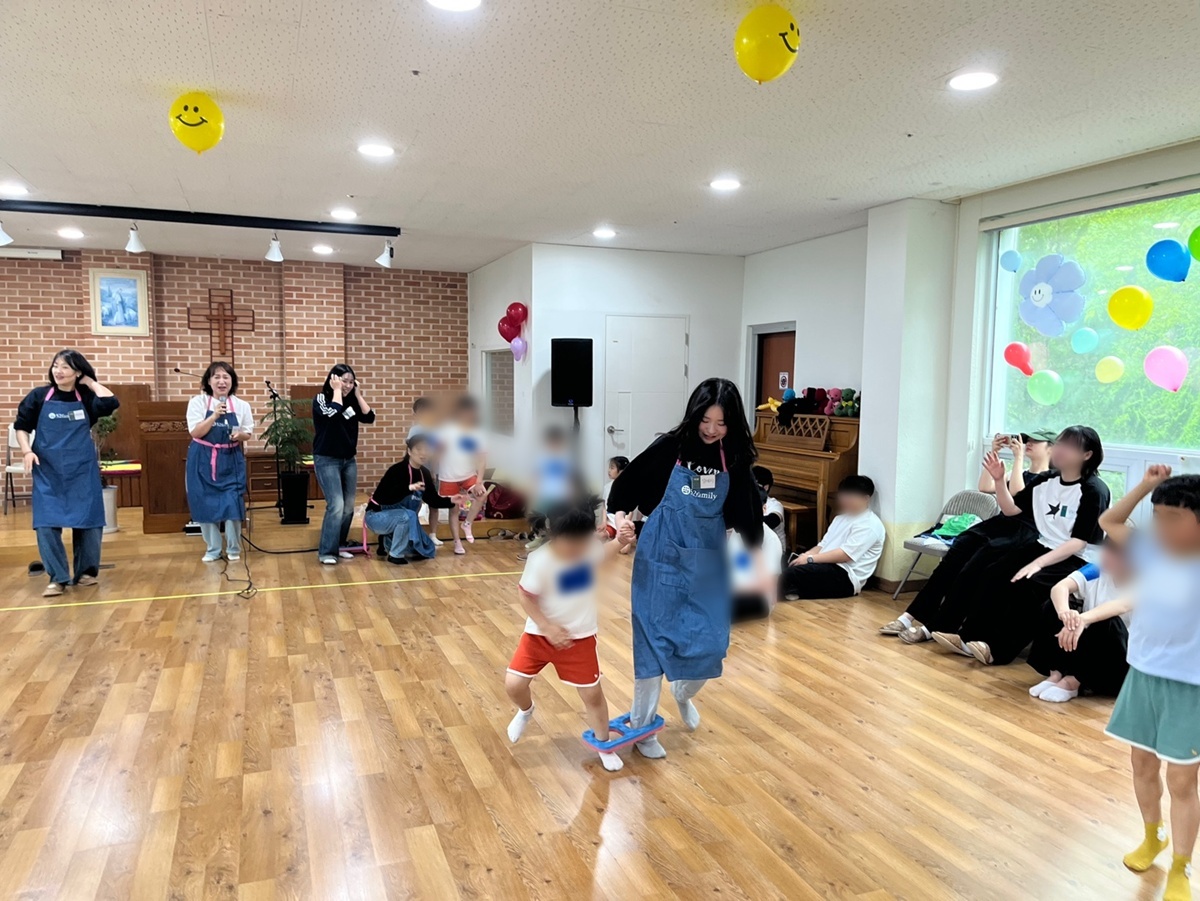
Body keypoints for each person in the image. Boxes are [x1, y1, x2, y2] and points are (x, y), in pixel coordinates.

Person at [608, 377, 762, 759]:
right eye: (705, 420)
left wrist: (754, 556)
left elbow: (748, 513)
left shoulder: (735, 458)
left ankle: (683, 690)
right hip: (660, 559)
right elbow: (624, 490)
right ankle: (643, 730)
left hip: (707, 564)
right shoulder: (670, 448)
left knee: (712, 644)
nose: (711, 430)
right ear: (694, 415)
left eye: (721, 423)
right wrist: (622, 521)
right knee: (651, 645)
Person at [1099, 468, 1200, 901]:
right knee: (1141, 766)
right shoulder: (1152, 552)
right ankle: (1152, 835)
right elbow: (1109, 521)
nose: (1161, 527)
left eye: (1173, 518)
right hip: (1141, 674)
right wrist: (1144, 487)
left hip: (1189, 687)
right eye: (1157, 517)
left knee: (1182, 782)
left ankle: (1181, 865)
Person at [932, 425, 1110, 665]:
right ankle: (969, 638)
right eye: (1059, 443)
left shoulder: (1094, 490)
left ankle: (998, 651)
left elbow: (1078, 542)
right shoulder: (1047, 480)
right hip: (1045, 545)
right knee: (994, 572)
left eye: (1069, 446)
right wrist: (999, 481)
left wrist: (1037, 564)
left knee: (1030, 585)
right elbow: (1012, 510)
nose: (1060, 450)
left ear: (1087, 454)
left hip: (1079, 556)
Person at [505, 499, 630, 772]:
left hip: (579, 638)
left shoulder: (589, 549)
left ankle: (604, 744)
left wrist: (620, 541)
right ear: (553, 533)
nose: (577, 549)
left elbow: (602, 553)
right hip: (539, 635)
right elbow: (526, 596)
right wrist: (547, 627)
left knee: (592, 695)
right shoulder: (540, 560)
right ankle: (526, 710)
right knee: (514, 685)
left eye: (582, 542)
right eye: (570, 544)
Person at [14, 350, 118, 597]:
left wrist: (90, 382)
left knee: (89, 522)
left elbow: (111, 402)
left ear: (78, 372)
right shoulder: (39, 396)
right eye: (55, 366)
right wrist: (27, 451)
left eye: (65, 367)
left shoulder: (87, 398)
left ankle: (86, 573)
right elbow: (22, 426)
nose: (58, 371)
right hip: (48, 471)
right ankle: (57, 578)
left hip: (81, 470)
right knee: (46, 523)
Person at [1026, 537, 1132, 703]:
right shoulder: (1097, 569)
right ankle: (1056, 674)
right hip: (1087, 652)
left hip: (1117, 664)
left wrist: (1082, 619)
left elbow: (1121, 605)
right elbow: (1060, 587)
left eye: (1113, 553)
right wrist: (1065, 613)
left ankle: (1072, 682)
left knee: (1109, 622)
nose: (1105, 556)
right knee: (1052, 606)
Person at [185, 362, 254, 563]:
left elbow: (247, 433)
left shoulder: (242, 405)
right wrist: (215, 415)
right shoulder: (197, 403)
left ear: (232, 381)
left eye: (226, 377)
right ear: (209, 381)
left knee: (232, 502)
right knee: (203, 502)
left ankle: (233, 548)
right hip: (202, 458)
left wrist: (239, 435)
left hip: (230, 458)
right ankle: (213, 548)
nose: (222, 381)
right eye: (217, 377)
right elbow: (195, 432)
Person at [779, 475, 884, 600]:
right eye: (843, 496)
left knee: (790, 574)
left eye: (850, 497)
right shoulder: (840, 518)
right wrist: (805, 556)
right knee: (781, 561)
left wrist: (810, 559)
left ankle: (783, 590)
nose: (845, 500)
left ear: (866, 498)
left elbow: (845, 555)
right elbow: (822, 545)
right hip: (823, 564)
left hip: (845, 576)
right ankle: (792, 590)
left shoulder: (870, 524)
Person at [312, 364, 375, 565]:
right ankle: (326, 552)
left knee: (348, 507)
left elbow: (369, 417)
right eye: (343, 381)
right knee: (336, 505)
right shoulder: (321, 398)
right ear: (333, 379)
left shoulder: (351, 401)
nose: (347, 385)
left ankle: (340, 545)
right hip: (327, 459)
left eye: (351, 382)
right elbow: (332, 413)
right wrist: (337, 391)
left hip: (349, 460)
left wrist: (357, 394)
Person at [364, 433, 457, 564]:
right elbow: (385, 498)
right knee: (407, 516)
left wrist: (452, 500)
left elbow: (432, 499)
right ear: (409, 451)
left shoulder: (424, 473)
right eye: (419, 449)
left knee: (426, 549)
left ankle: (386, 540)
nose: (423, 453)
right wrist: (409, 488)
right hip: (377, 516)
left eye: (427, 449)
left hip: (404, 517)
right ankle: (395, 555)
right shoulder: (396, 470)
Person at [437, 395, 487, 556]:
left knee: (482, 495)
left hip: (468, 474)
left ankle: (467, 523)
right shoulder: (447, 429)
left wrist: (479, 481)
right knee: (454, 510)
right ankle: (457, 542)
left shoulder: (477, 432)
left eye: (471, 412)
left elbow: (482, 458)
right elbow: (437, 449)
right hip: (448, 476)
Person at [730, 487, 784, 622]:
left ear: (764, 509)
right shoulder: (736, 533)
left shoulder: (771, 539)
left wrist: (731, 589)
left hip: (759, 599)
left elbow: (768, 585)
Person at [408, 396, 444, 545]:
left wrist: (433, 471)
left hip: (433, 471)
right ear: (416, 415)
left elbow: (437, 452)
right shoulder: (414, 430)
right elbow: (410, 451)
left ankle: (433, 534)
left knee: (434, 504)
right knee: (415, 504)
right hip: (418, 471)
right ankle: (414, 532)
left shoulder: (436, 431)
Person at [978, 430, 1055, 495]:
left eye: (1036, 441)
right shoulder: (1018, 473)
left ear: (1052, 449)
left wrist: (1019, 457)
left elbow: (1018, 496)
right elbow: (985, 487)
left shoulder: (1051, 480)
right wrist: (994, 452)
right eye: (1028, 440)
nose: (1028, 443)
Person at [753, 465, 788, 553]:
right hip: (754, 549)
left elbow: (772, 521)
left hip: (775, 551)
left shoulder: (775, 504)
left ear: (765, 487)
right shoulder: (746, 501)